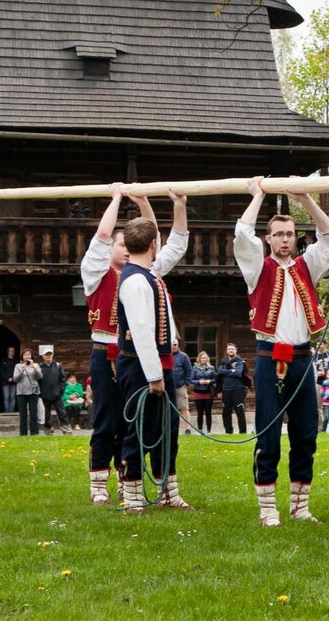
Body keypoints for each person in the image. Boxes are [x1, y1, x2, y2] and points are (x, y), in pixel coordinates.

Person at [234, 176, 329, 527]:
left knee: (306, 432)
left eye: (290, 234)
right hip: (268, 357)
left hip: (303, 357)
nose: (284, 239)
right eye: (278, 234)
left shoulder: (307, 265)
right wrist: (259, 194)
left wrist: (306, 198)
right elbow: (241, 236)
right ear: (269, 238)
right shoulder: (256, 268)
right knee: (268, 432)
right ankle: (267, 508)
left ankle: (299, 505)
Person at [80, 183, 188, 505]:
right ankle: (100, 483)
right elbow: (101, 240)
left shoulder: (148, 270)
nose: (125, 248)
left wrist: (142, 201)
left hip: (143, 356)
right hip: (107, 352)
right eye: (120, 243)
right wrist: (115, 199)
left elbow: (159, 242)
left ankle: (162, 487)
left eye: (128, 243)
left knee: (156, 422)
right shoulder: (95, 273)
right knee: (108, 419)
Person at [116, 215, 192, 511]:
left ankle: (168, 492)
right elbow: (142, 332)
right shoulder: (136, 280)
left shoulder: (148, 273)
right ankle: (133, 497)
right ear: (152, 244)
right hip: (141, 368)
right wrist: (154, 376)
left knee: (167, 428)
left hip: (159, 364)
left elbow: (156, 324)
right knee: (139, 429)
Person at [40, 348, 71, 435]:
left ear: (52, 355)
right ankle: (48, 431)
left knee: (62, 414)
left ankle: (67, 431)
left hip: (57, 395)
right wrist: (41, 394)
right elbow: (38, 382)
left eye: (50, 354)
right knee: (46, 415)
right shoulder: (39, 367)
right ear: (43, 356)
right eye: (46, 354)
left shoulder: (57, 366)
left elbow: (63, 380)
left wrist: (60, 391)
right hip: (45, 396)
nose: (48, 356)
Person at [218, 343, 247, 434]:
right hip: (226, 389)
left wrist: (226, 372)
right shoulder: (223, 361)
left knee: (240, 411)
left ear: (236, 350)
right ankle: (228, 431)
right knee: (226, 412)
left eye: (232, 349)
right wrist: (231, 371)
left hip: (237, 389)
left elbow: (238, 373)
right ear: (227, 351)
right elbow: (219, 371)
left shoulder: (240, 361)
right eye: (229, 349)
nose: (231, 350)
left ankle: (242, 432)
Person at [14, 348, 42, 435]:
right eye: (25, 354)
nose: (27, 356)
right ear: (22, 356)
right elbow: (15, 379)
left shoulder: (36, 365)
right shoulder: (18, 366)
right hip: (21, 393)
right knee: (23, 414)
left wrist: (34, 367)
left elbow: (40, 376)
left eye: (29, 354)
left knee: (33, 413)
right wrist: (21, 370)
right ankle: (23, 434)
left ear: (31, 356)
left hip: (33, 392)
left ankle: (34, 433)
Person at [190, 351, 216, 433]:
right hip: (198, 392)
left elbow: (215, 379)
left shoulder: (211, 368)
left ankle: (209, 431)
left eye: (205, 357)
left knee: (208, 412)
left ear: (207, 358)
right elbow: (191, 380)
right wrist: (198, 382)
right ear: (199, 359)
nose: (203, 359)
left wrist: (209, 381)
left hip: (208, 392)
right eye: (202, 358)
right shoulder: (195, 368)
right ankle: (200, 430)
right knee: (199, 412)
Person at [171, 340, 193, 434]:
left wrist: (186, 383)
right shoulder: (165, 355)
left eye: (175, 344)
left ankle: (187, 428)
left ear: (178, 345)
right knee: (169, 408)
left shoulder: (183, 356)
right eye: (172, 345)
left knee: (184, 407)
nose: (173, 346)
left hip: (180, 386)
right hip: (168, 386)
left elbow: (189, 370)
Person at [0, 347, 19, 413]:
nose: (12, 352)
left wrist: (13, 378)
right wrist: (7, 378)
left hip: (14, 382)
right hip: (5, 382)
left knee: (13, 397)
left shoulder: (16, 361)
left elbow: (18, 371)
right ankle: (7, 411)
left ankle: (11, 411)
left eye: (13, 350)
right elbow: (1, 371)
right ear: (8, 352)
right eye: (10, 351)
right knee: (6, 397)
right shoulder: (4, 360)